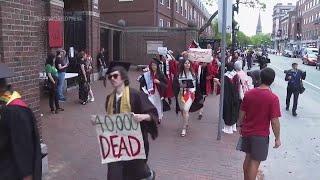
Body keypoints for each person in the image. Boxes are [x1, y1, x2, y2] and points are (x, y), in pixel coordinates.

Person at [101, 61, 158, 180]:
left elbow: (152, 113)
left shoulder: (136, 95)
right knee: (114, 175)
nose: (112, 79)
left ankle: (149, 175)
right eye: (110, 76)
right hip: (116, 143)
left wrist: (142, 117)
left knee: (135, 173)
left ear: (123, 77)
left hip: (134, 143)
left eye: (115, 76)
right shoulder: (109, 99)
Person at [0, 63, 42, 180]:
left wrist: (27, 176)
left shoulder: (15, 111)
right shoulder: (3, 105)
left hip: (11, 172)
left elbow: (24, 151)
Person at [238, 67, 281, 180]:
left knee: (247, 157)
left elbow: (242, 112)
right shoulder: (273, 98)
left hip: (247, 132)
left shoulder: (249, 93)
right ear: (272, 80)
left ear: (261, 78)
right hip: (260, 135)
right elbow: (274, 121)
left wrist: (241, 126)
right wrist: (277, 138)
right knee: (255, 162)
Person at [138, 58, 168, 124]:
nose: (153, 67)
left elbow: (166, 84)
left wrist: (159, 82)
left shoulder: (160, 74)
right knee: (150, 104)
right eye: (152, 65)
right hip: (149, 92)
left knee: (158, 105)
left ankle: (158, 117)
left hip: (158, 93)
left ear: (157, 66)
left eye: (155, 65)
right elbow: (142, 82)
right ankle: (150, 118)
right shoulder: (148, 74)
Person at [214, 62, 241, 134]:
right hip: (236, 96)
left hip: (228, 97)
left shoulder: (226, 76)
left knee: (228, 112)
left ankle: (228, 129)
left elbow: (223, 86)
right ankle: (233, 127)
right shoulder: (236, 75)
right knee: (234, 111)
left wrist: (217, 81)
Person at [176, 59, 196, 137]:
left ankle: (184, 128)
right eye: (185, 63)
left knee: (185, 109)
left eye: (188, 63)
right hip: (181, 94)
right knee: (182, 110)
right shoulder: (179, 74)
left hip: (189, 94)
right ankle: (186, 119)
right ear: (183, 65)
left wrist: (192, 91)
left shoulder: (193, 74)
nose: (187, 64)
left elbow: (194, 85)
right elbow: (177, 83)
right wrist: (180, 85)